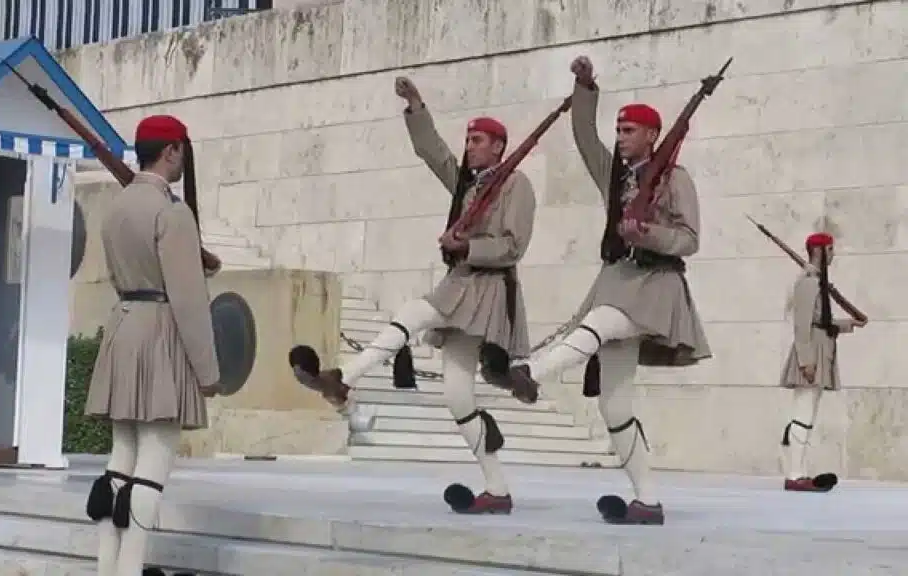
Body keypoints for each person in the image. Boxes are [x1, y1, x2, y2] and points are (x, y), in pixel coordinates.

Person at [289, 76, 538, 514]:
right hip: (460, 284)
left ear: (499, 146)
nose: (470, 146)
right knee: (458, 397)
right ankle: (497, 490)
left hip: (487, 289)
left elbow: (514, 246)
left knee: (414, 312)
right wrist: (416, 105)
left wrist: (468, 246)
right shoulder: (468, 184)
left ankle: (345, 376)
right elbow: (432, 152)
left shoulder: (516, 186)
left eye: (478, 140)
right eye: (469, 139)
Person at [481, 56, 712, 525]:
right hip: (617, 280)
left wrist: (646, 235)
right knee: (614, 404)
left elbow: (689, 238)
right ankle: (647, 501)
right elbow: (585, 136)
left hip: (654, 287)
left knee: (599, 323)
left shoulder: (675, 178)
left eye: (630, 130)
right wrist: (585, 88)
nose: (621, 135)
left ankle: (530, 372)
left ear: (652, 135)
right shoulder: (617, 176)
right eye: (621, 128)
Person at [83, 115, 221, 576]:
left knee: (120, 460)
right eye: (182, 150)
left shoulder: (118, 207)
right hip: (161, 331)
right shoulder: (173, 212)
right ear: (171, 151)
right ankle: (131, 567)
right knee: (155, 460)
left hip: (123, 327)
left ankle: (108, 566)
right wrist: (208, 370)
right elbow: (189, 298)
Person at [779, 232, 866, 492]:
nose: (833, 254)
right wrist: (806, 360)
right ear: (819, 251)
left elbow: (822, 320)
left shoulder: (817, 282)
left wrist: (849, 324)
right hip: (812, 352)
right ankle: (794, 474)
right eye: (830, 249)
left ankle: (800, 471)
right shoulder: (808, 283)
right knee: (803, 412)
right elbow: (802, 325)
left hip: (821, 348)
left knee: (808, 413)